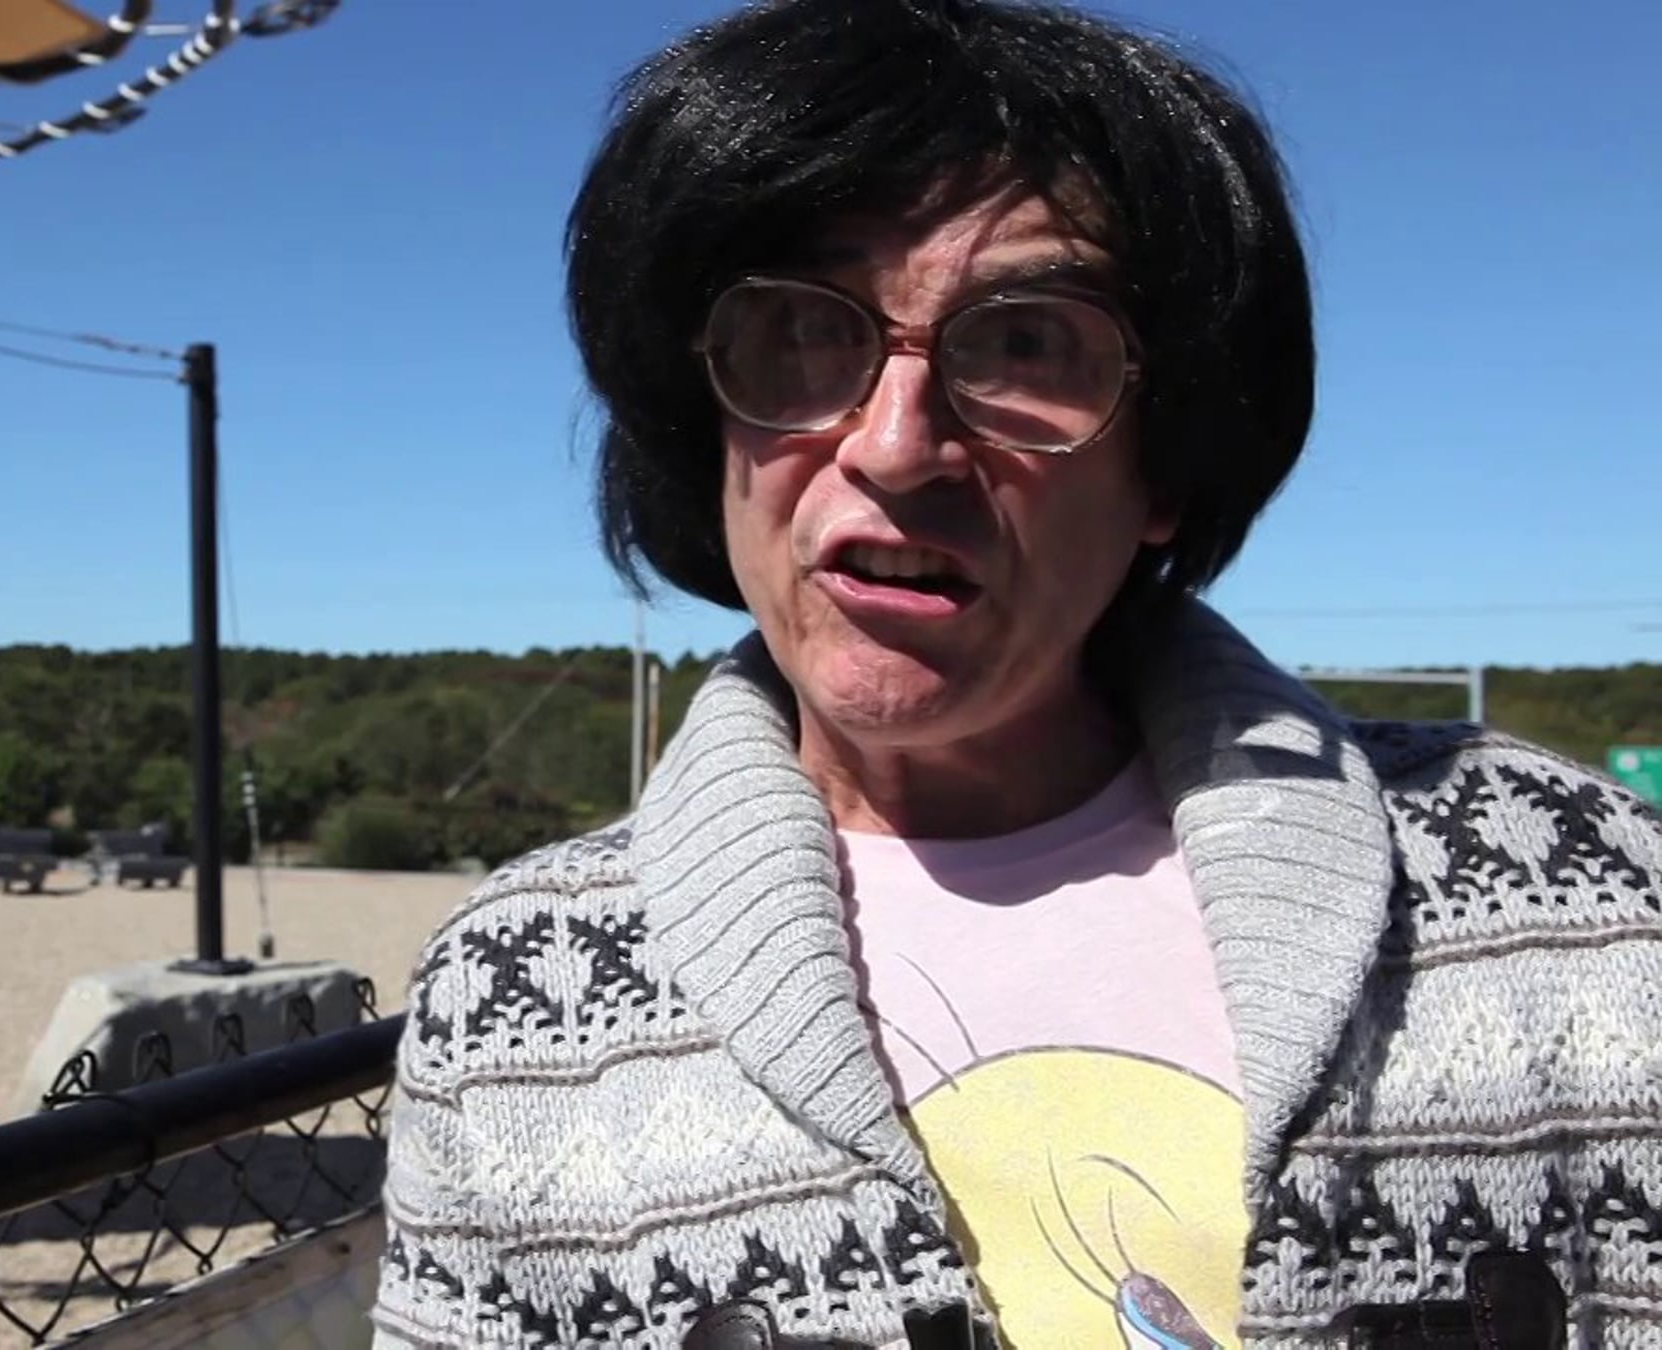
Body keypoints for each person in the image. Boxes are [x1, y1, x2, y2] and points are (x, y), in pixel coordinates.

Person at [372, 2, 1662, 1347]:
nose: (895, 444)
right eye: (798, 333)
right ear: (707, 430)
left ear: (1165, 465)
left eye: (1029, 341)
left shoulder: (1573, 890)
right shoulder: (520, 996)